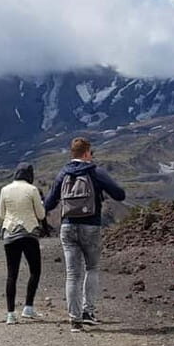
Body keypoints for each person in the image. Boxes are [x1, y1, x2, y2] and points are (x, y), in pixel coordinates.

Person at [44, 137, 125, 333]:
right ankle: (89, 312)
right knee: (92, 269)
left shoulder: (63, 173)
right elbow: (119, 194)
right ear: (87, 152)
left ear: (72, 153)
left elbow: (48, 204)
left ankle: (75, 320)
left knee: (72, 274)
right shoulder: (95, 171)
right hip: (91, 226)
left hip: (68, 226)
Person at [0, 162, 46, 324]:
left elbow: (1, 214)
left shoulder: (5, 190)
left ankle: (10, 314)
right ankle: (28, 307)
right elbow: (40, 214)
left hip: (9, 233)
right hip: (28, 232)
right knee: (35, 270)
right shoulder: (32, 190)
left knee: (12, 274)